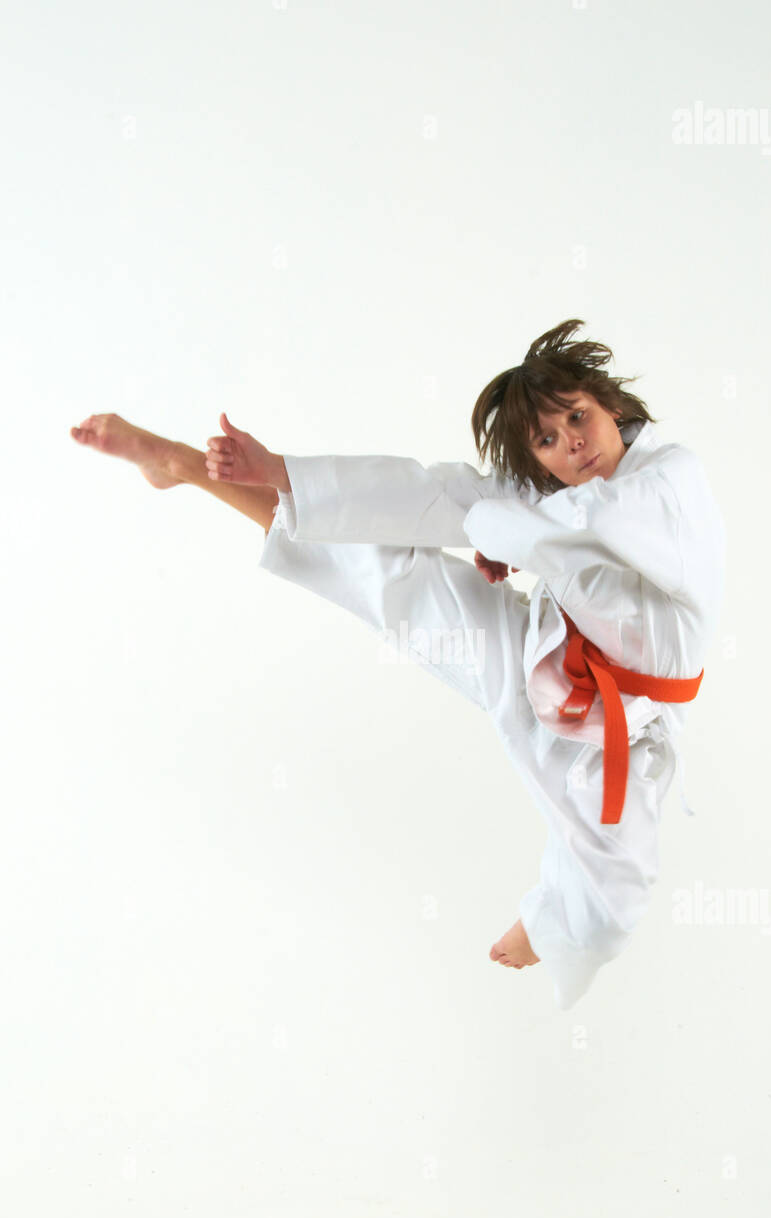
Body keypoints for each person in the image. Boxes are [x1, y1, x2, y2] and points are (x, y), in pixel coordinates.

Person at [70, 319, 725, 1010]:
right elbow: (435, 496)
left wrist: (514, 538)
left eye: (576, 416)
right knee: (388, 571)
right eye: (545, 439)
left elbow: (583, 526)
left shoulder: (670, 478)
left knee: (613, 896)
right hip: (545, 654)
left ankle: (549, 920)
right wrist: (281, 471)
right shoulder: (552, 496)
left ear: (610, 407)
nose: (570, 440)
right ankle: (176, 463)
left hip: (625, 718)